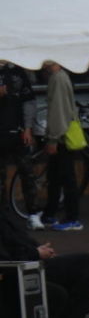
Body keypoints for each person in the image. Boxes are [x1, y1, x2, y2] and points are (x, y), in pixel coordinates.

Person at [0, 207, 89, 318]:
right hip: (14, 273)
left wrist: (38, 248)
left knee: (84, 263)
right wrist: (35, 253)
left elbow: (17, 237)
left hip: (26, 263)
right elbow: (6, 257)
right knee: (58, 291)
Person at [41, 62, 82, 232]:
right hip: (64, 134)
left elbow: (58, 112)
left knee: (65, 177)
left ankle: (73, 218)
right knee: (56, 175)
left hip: (62, 137)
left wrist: (53, 139)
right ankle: (50, 213)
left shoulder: (57, 79)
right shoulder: (61, 77)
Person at [0, 61, 39, 226]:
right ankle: (5, 218)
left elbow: (28, 100)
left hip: (18, 131)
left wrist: (28, 127)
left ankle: (33, 213)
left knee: (27, 173)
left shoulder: (17, 70)